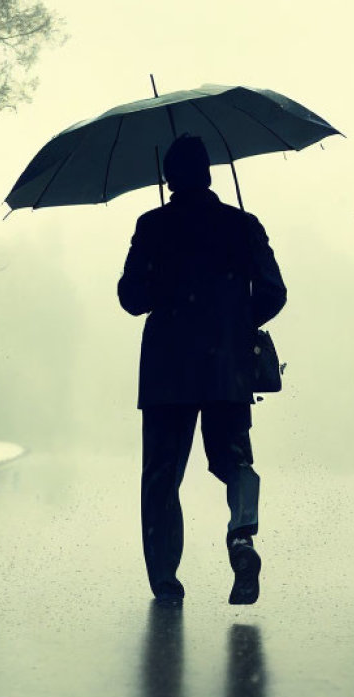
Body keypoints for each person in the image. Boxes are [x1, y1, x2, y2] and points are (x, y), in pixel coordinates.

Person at [118, 134, 287, 606]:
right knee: (234, 461)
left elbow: (131, 299)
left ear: (169, 179)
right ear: (210, 175)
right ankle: (241, 536)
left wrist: (158, 281)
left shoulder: (152, 226)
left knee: (162, 478)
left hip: (167, 372)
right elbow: (274, 291)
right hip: (226, 369)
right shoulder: (242, 224)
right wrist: (236, 321)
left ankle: (166, 584)